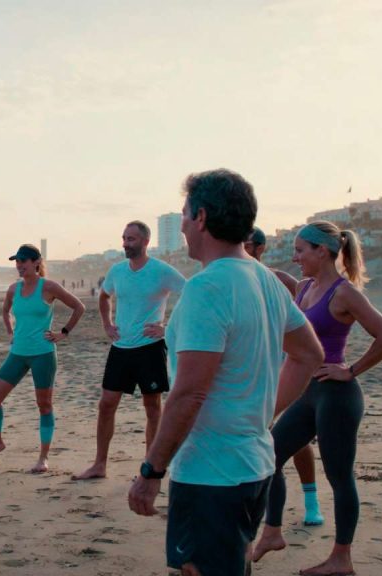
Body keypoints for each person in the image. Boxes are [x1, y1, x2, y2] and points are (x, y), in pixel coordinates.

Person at [128, 169, 324, 576]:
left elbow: (189, 394)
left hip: (211, 473)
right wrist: (265, 411)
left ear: (200, 218)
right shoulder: (264, 279)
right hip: (252, 464)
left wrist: (151, 471)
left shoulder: (208, 287)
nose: (181, 225)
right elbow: (309, 354)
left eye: (184, 215)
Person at [253, 221, 382, 576]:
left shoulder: (344, 293)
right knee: (269, 454)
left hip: (337, 395)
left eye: (301, 250)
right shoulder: (304, 288)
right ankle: (272, 532)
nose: (295, 256)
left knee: (339, 474)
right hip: (308, 392)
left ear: (322, 251)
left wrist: (350, 370)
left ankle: (341, 558)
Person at [74, 221, 185, 480]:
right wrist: (107, 324)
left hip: (150, 347)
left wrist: (167, 328)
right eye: (124, 238)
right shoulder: (117, 271)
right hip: (121, 348)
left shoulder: (161, 270)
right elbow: (104, 296)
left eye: (131, 239)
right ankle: (99, 464)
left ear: (145, 242)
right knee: (106, 404)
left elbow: (191, 294)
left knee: (152, 407)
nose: (126, 243)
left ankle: (150, 466)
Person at [244, 226, 325, 526]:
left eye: (248, 244)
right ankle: (266, 513)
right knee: (263, 438)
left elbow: (306, 323)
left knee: (297, 437)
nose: (242, 247)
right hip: (250, 366)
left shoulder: (280, 280)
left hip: (282, 364)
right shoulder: (232, 278)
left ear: (260, 248)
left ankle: (311, 499)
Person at [0, 244, 85, 473]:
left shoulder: (48, 287)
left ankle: (43, 458)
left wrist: (63, 333)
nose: (19, 266)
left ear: (36, 262)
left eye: (23, 261)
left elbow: (79, 307)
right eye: (16, 262)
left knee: (44, 405)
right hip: (18, 354)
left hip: (43, 354)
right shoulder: (13, 289)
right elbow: (5, 311)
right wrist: (11, 332)